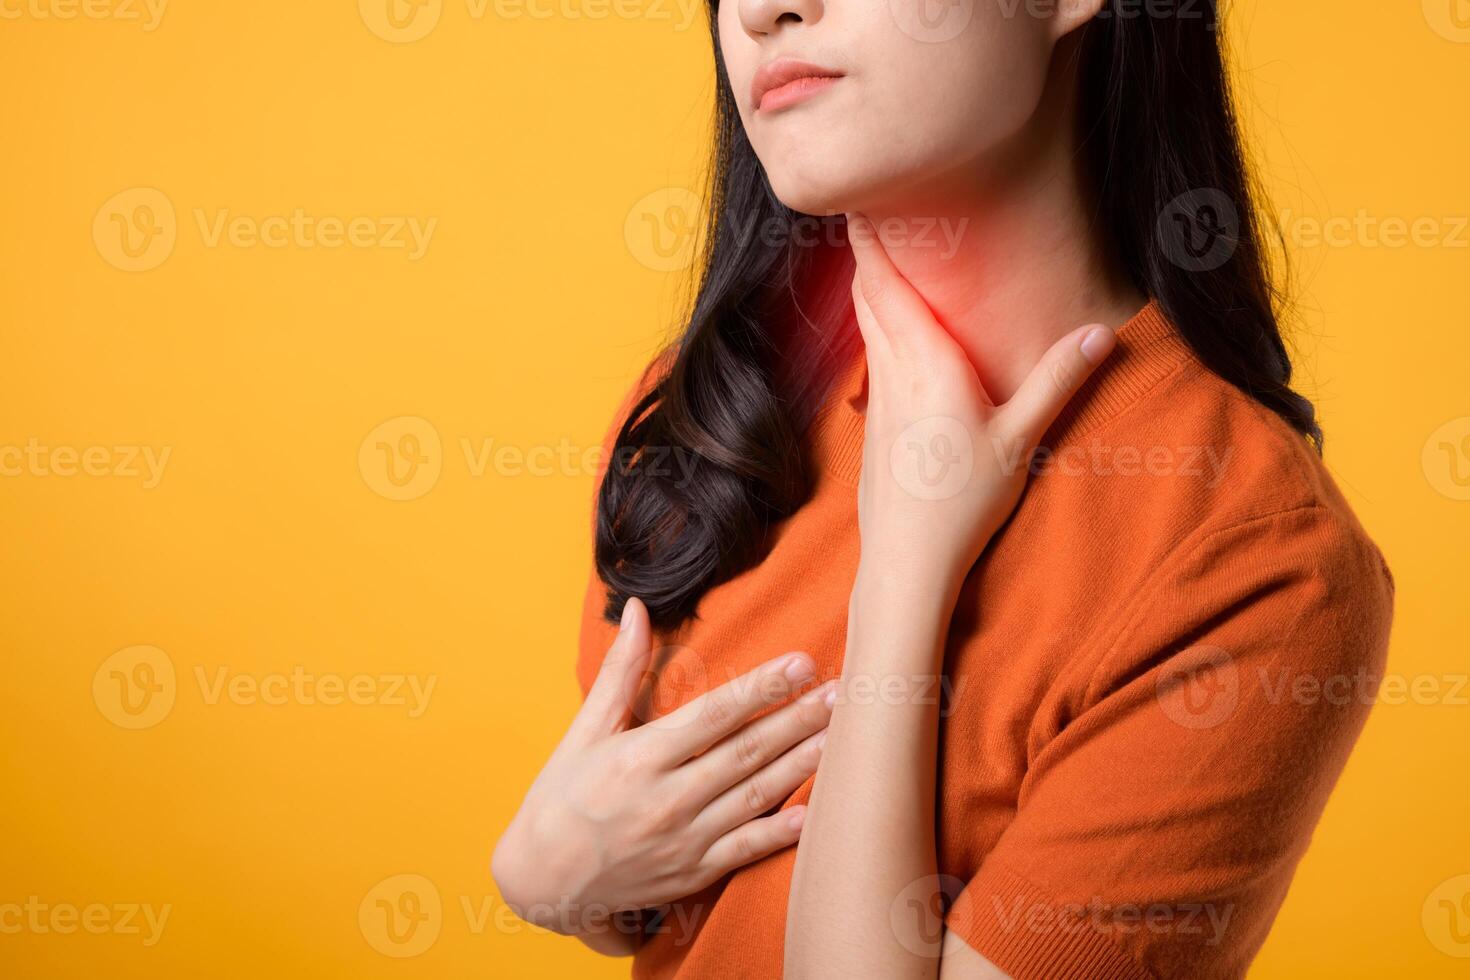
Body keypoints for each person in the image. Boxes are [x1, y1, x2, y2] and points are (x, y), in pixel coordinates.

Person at [494, 1, 1394, 976]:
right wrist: (555, 882)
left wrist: (909, 565)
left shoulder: (1258, 561)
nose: (762, 11)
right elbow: (671, 896)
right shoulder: (705, 414)